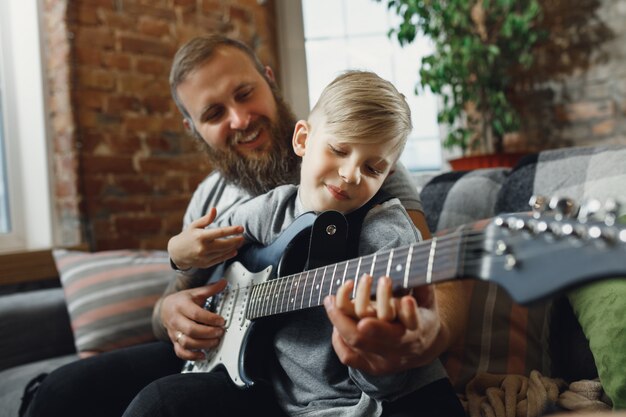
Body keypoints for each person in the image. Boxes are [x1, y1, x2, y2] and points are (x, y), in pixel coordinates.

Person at [22, 34, 467, 417]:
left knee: (161, 404)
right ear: (193, 128)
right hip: (216, 348)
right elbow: (173, 296)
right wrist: (172, 308)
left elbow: (426, 269)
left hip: (281, 374)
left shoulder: (364, 168)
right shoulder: (210, 197)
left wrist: (425, 336)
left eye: (244, 93)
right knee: (61, 392)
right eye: (213, 114)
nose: (238, 119)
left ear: (270, 80)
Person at [133, 69, 464, 416]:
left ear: (388, 177)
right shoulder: (272, 207)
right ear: (303, 140)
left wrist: (378, 354)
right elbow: (216, 235)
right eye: (338, 150)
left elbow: (389, 380)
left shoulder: (389, 237)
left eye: (372, 168)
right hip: (270, 389)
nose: (351, 174)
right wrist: (179, 252)